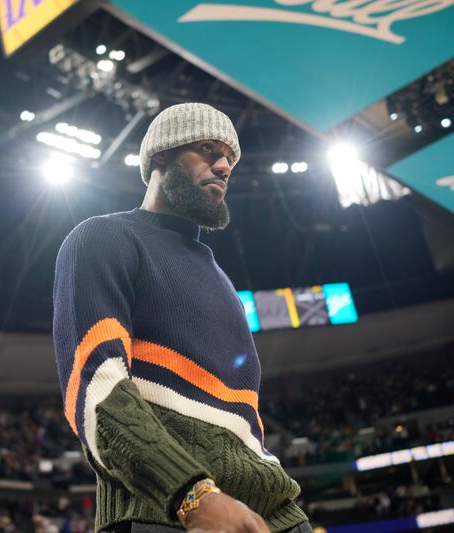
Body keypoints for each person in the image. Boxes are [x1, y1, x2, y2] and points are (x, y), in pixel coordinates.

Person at [53, 103, 310, 533]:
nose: (225, 165)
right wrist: (190, 494)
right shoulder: (102, 237)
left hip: (275, 515)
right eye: (208, 149)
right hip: (167, 512)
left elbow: (246, 428)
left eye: (230, 157)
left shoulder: (224, 283)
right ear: (161, 156)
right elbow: (96, 388)